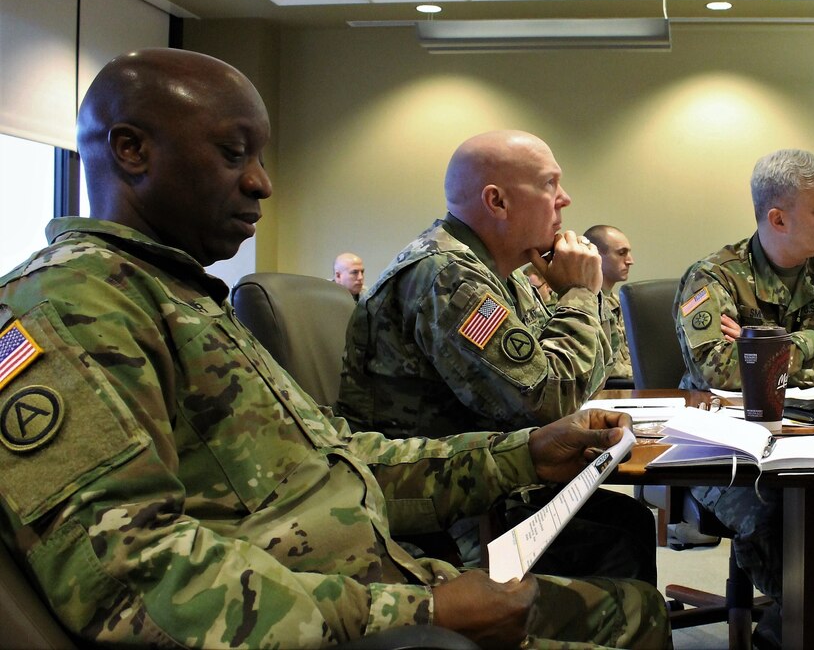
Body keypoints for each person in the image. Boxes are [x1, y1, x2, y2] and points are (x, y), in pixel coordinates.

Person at [0, 48, 669, 649]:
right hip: (342, 616)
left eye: (260, 159)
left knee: (638, 608)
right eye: (235, 155)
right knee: (628, 604)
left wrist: (525, 452)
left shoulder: (174, 294)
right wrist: (417, 612)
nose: (262, 182)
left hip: (374, 577)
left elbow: (347, 464)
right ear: (131, 150)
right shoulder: (68, 309)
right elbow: (133, 583)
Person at [337, 131, 656, 584]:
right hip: (439, 509)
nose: (565, 198)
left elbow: (582, 374)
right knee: (617, 539)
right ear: (497, 201)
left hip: (486, 480)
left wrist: (579, 296)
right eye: (550, 185)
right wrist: (584, 292)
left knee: (626, 523)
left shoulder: (502, 274)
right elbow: (548, 400)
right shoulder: (448, 277)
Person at [674, 148, 814, 649]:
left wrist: (773, 347)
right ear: (778, 218)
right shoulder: (713, 278)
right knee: (782, 518)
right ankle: (787, 630)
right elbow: (721, 371)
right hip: (731, 448)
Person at [584, 225, 634, 381]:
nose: (630, 261)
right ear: (596, 256)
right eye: (621, 253)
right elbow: (601, 366)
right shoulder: (583, 305)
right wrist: (643, 373)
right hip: (606, 395)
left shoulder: (619, 303)